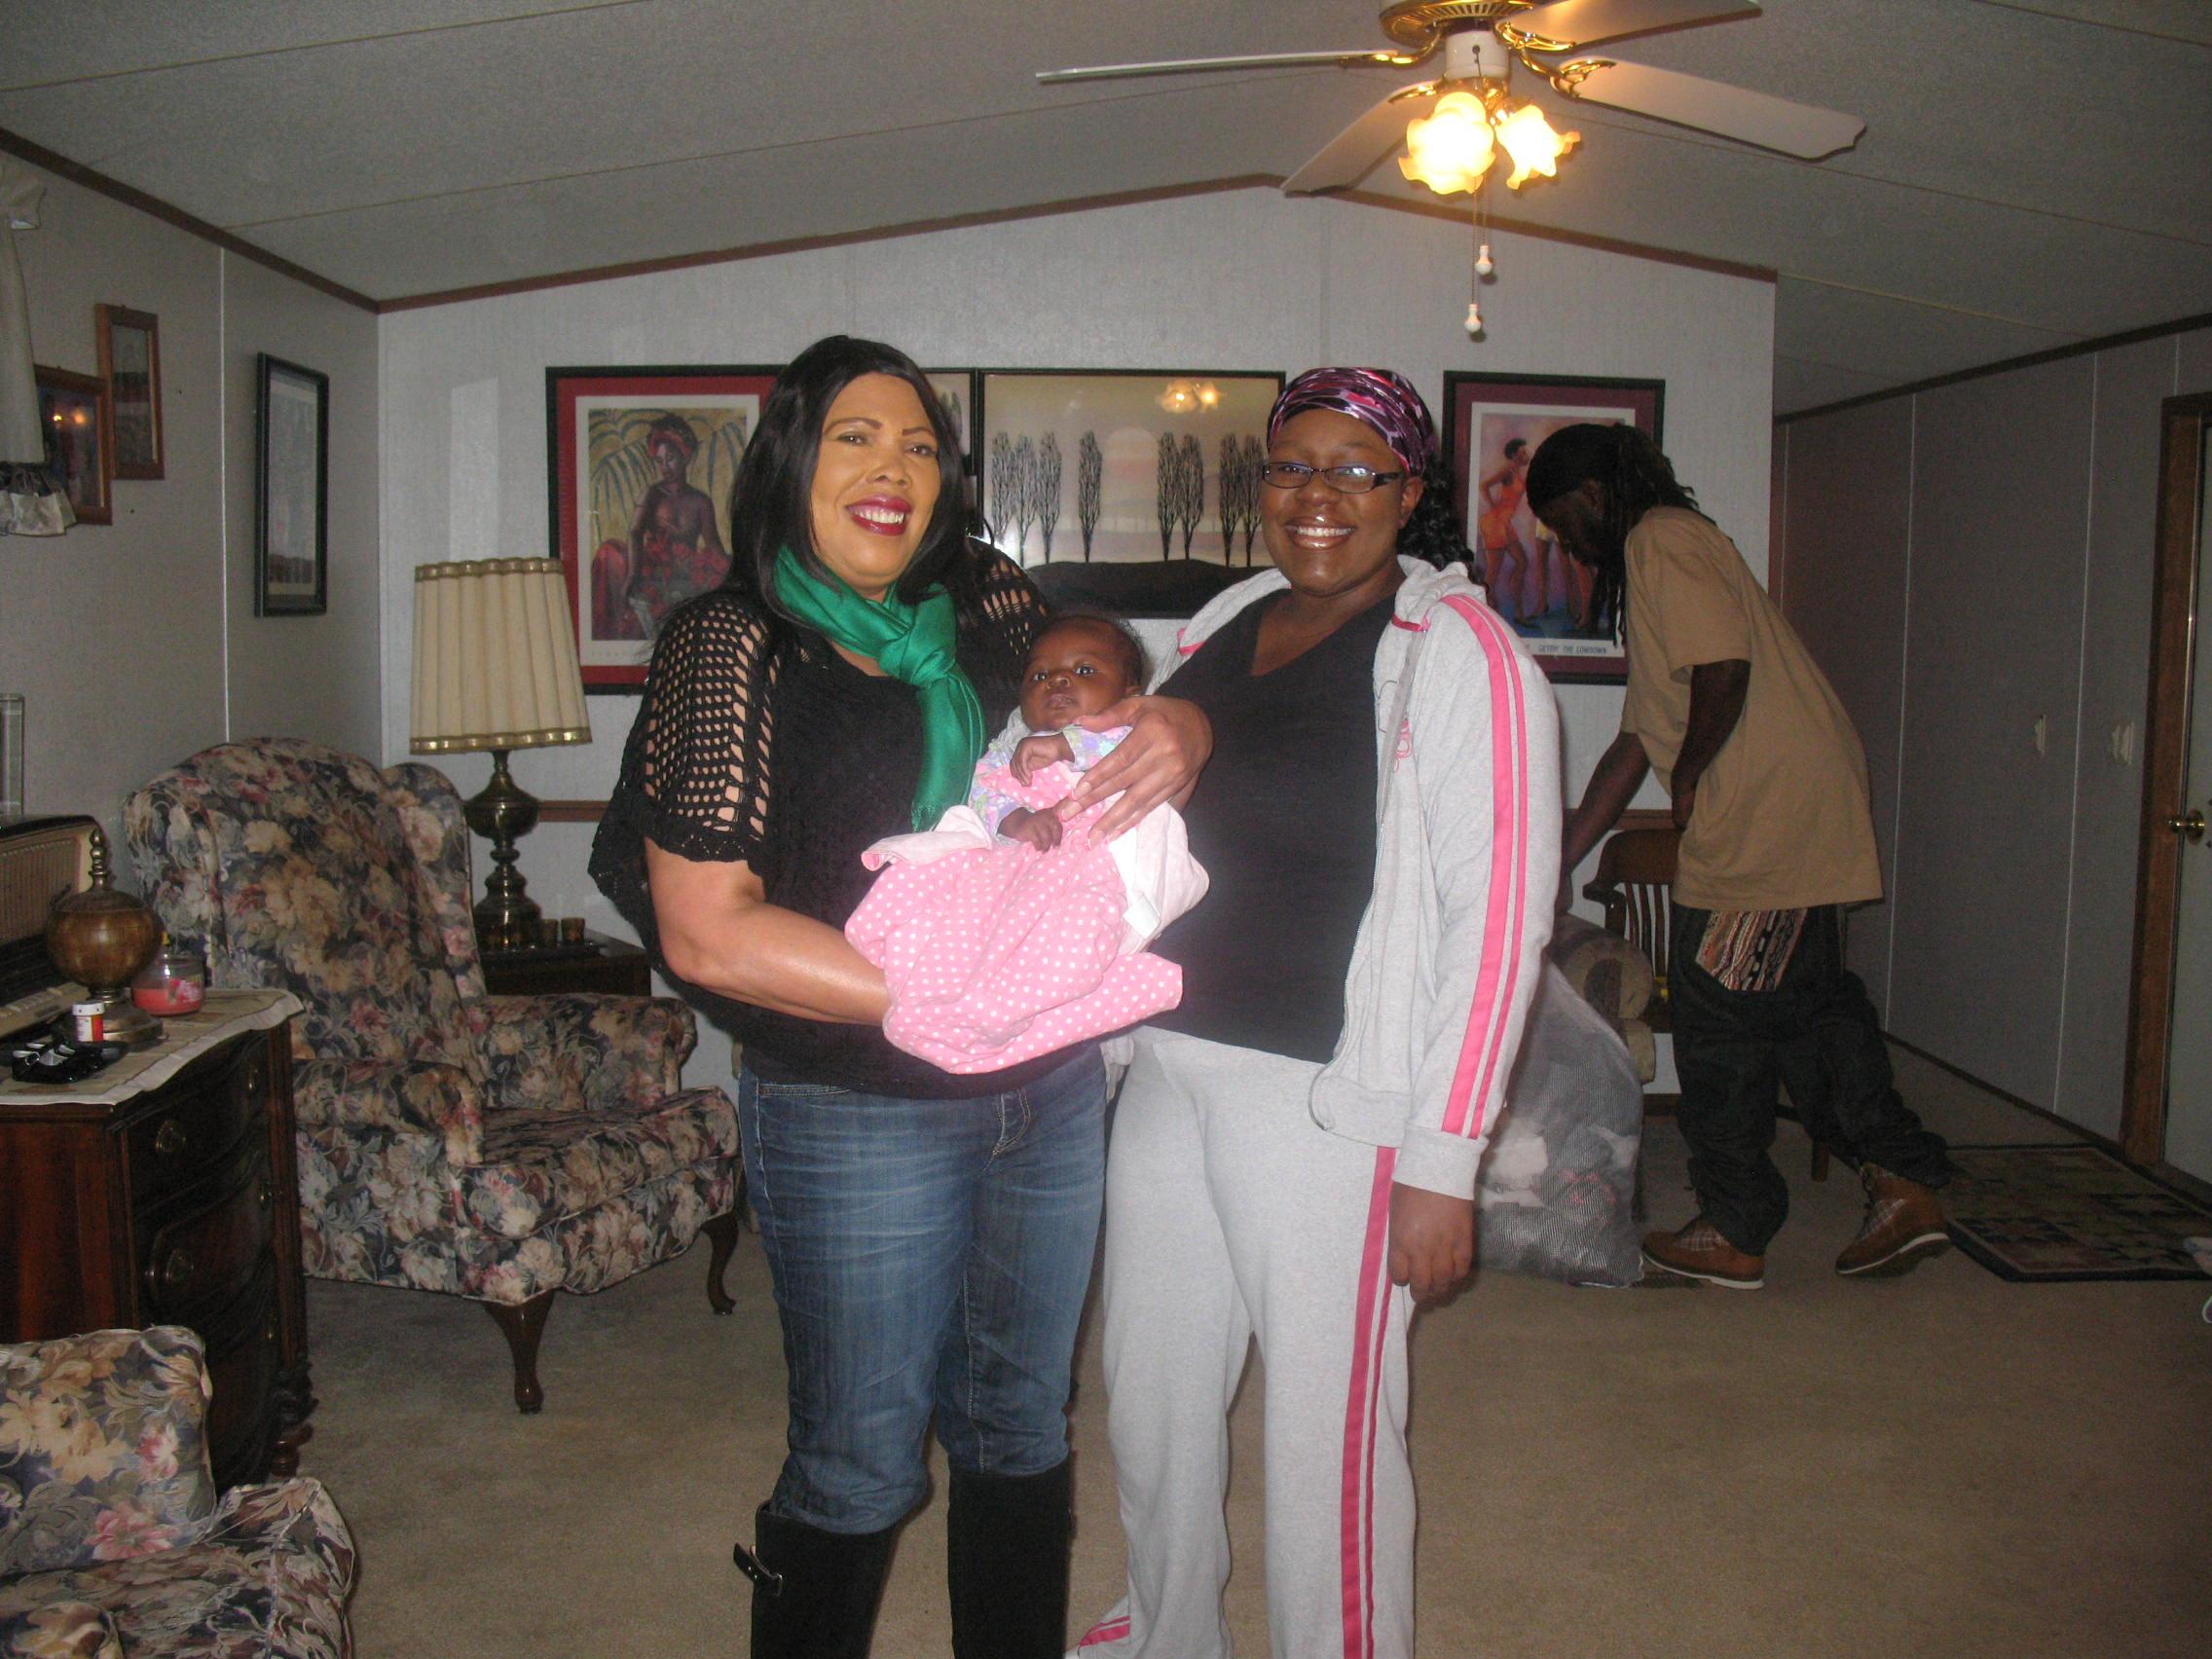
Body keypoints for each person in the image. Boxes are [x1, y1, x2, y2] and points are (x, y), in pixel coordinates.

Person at [587, 335, 1210, 1659]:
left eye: (921, 444)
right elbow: (709, 935)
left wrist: (1185, 727)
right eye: (859, 436)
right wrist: (972, 990)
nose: (895, 468)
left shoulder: (982, 602)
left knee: (1021, 1426)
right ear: (792, 459)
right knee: (863, 1462)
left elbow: (1109, 686)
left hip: (1038, 1096)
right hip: (855, 1109)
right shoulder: (731, 643)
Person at [1074, 369, 1558, 1659]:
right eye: (1293, 465)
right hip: (1170, 1067)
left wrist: (1443, 1164)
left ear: (1412, 494)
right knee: (1153, 1397)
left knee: (1325, 1440)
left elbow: (1500, 925)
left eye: (1358, 471)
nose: (1319, 496)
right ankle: (1164, 1634)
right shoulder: (1224, 624)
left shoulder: (1464, 658)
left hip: (1327, 1101)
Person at [1530, 422, 1951, 1289]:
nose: (1564, 543)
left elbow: (1724, 669)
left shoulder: (1660, 540)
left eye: (1561, 522)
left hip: (1765, 812)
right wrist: (1558, 858)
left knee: (1720, 1013)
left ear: (1592, 497)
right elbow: (1635, 742)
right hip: (1786, 805)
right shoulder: (1666, 550)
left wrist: (1690, 775)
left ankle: (1735, 1224)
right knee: (1804, 1007)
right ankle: (1904, 1179)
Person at [845, 612, 1207, 1075]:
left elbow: (1134, 754)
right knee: (949, 896)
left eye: (1084, 670)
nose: (1057, 679)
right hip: (1014, 867)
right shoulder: (1006, 748)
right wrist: (1013, 818)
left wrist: (1066, 745)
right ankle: (926, 976)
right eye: (1039, 675)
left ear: (1131, 695)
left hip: (1089, 862)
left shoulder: (1134, 734)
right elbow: (981, 791)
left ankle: (1016, 1009)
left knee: (1077, 934)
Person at [589, 412, 732, 640]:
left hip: (685, 573)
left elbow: (713, 544)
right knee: (609, 553)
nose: (665, 467)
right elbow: (635, 533)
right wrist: (632, 576)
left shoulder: (700, 501)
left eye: (671, 458)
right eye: (659, 460)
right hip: (650, 569)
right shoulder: (651, 495)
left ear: (685, 457)